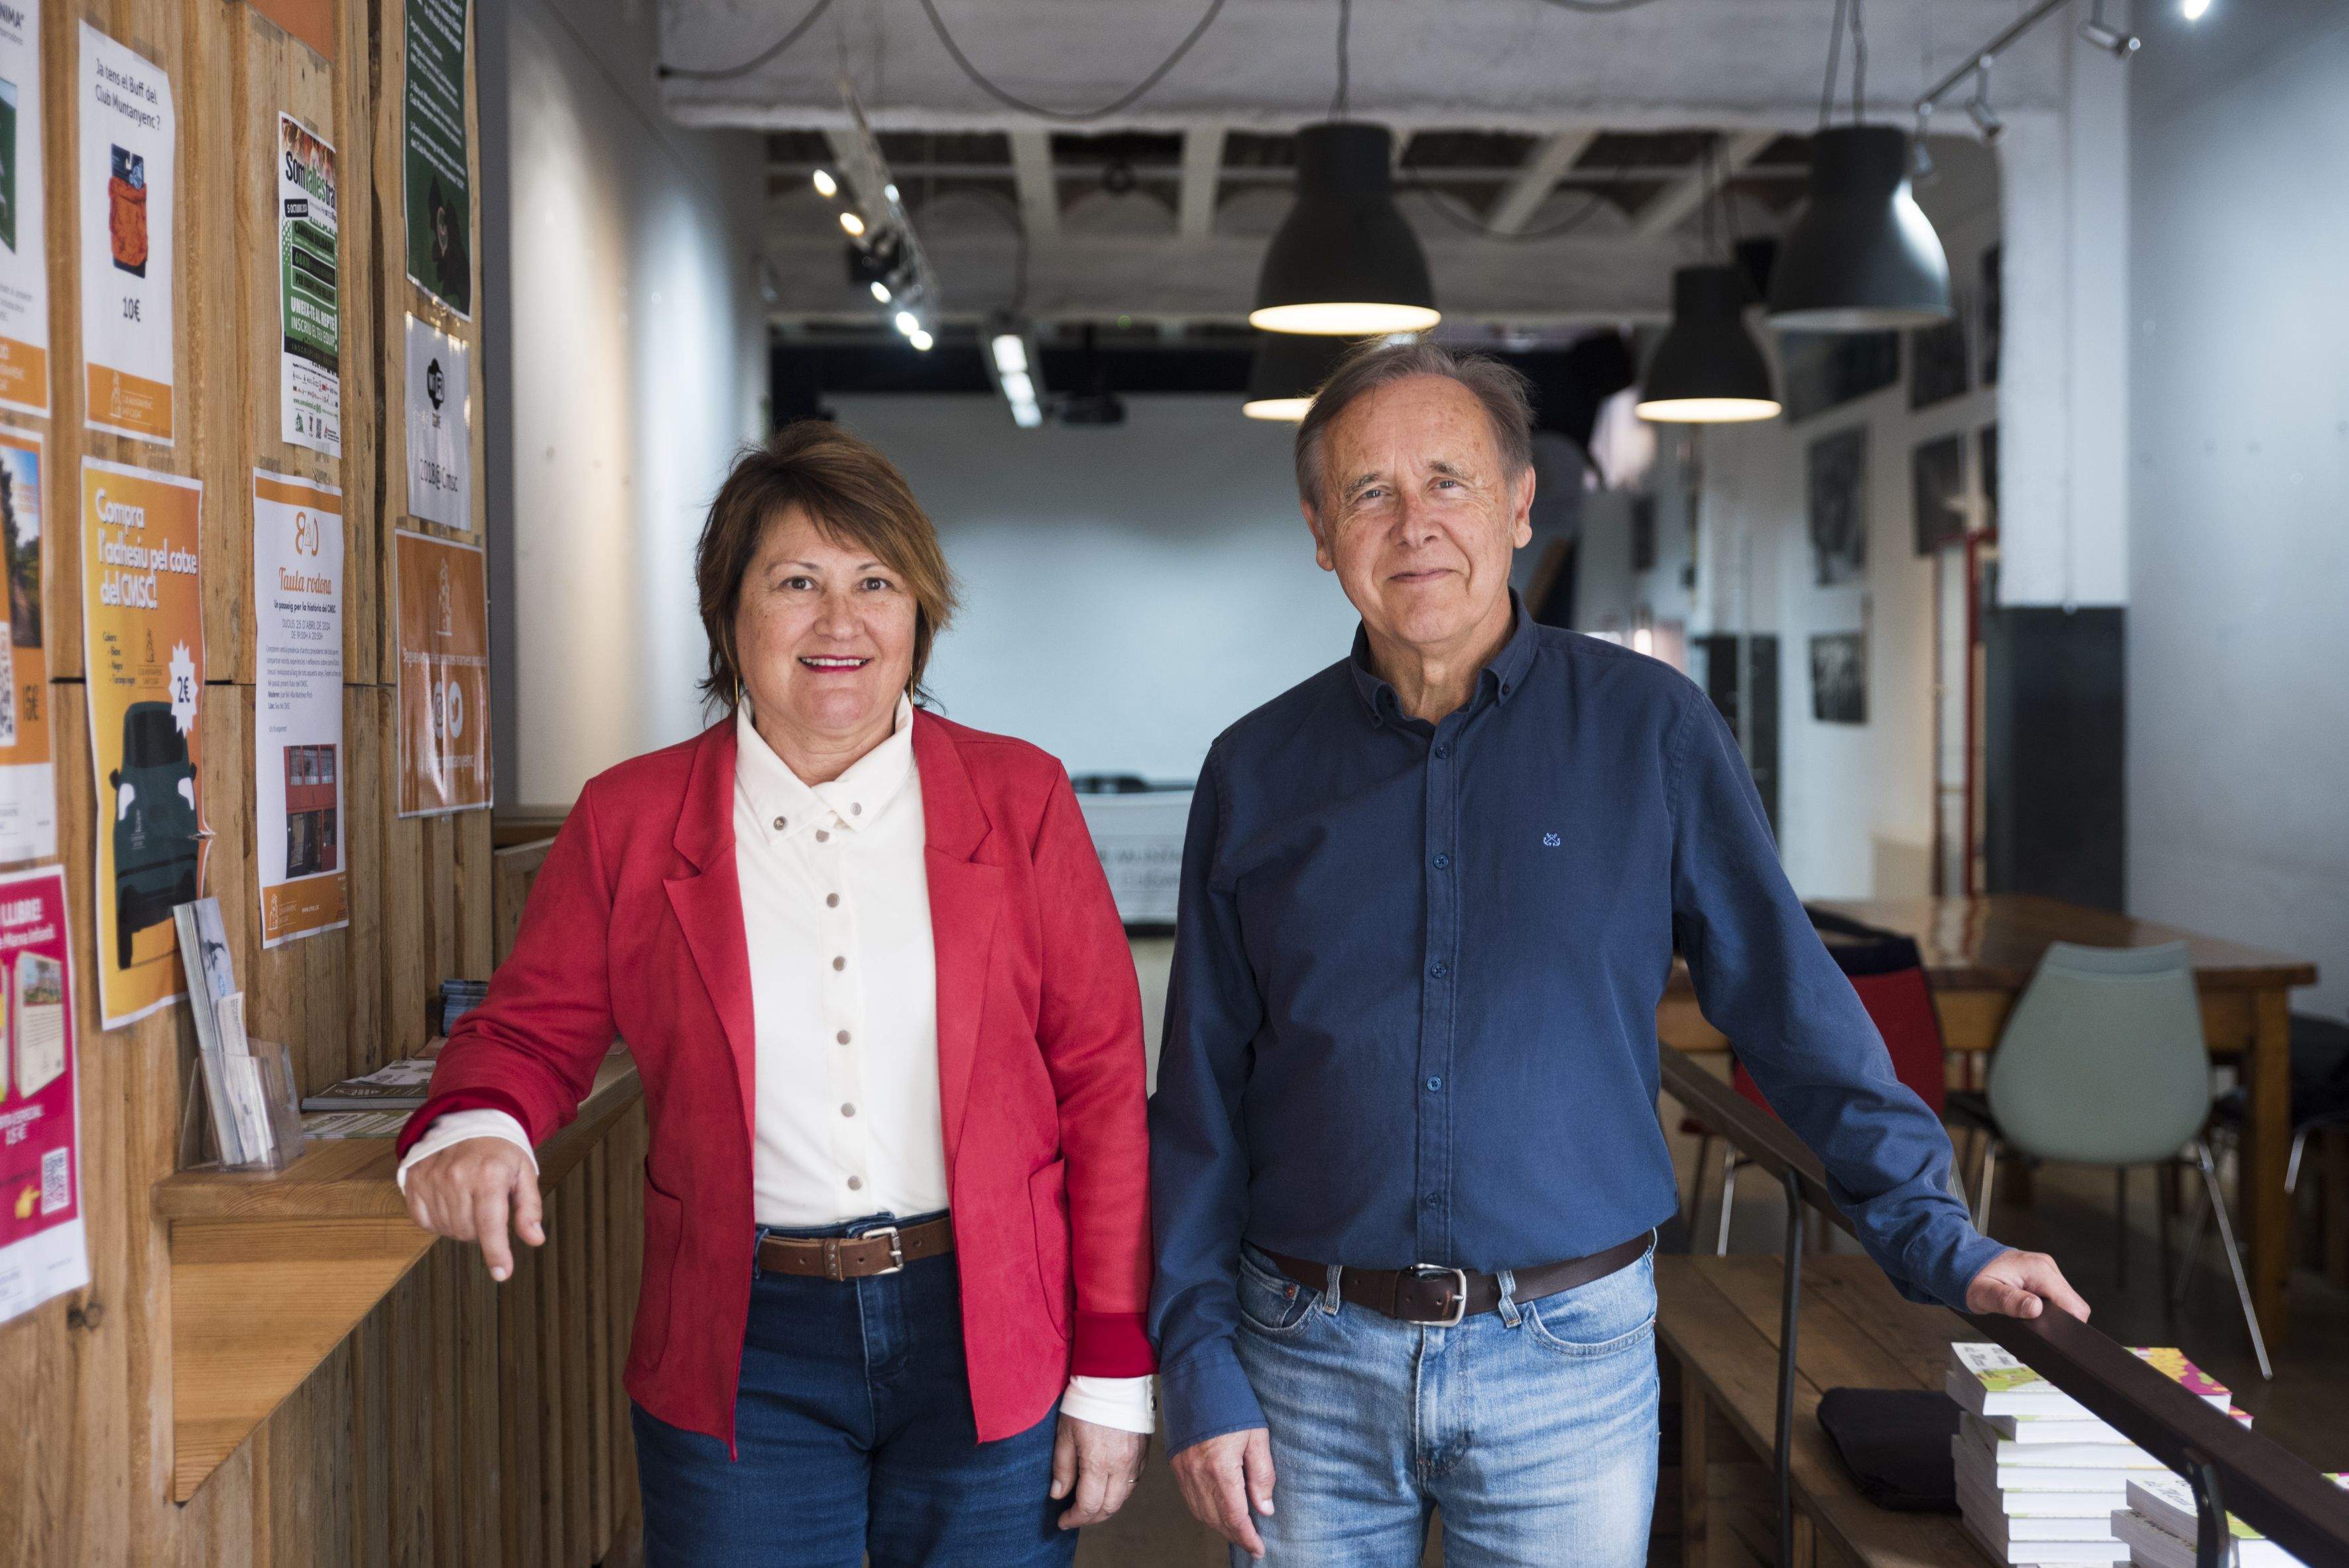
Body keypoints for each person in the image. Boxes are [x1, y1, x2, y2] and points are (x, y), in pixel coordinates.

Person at [1148, 341, 2088, 1566]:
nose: (1414, 523)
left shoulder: (1653, 730)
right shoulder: (1253, 771)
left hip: (1567, 1365)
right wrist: (1196, 1357)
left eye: (1449, 481)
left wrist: (1942, 1238)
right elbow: (1201, 1098)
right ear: (1322, 532)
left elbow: (1791, 1005)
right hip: (1304, 1362)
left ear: (1521, 504)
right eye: (1369, 492)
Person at [397, 422, 1156, 1567]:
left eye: (875, 583)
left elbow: (1101, 1087)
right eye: (797, 582)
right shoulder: (630, 818)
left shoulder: (1022, 797)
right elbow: (532, 1030)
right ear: (730, 615)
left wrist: (1112, 1360)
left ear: (919, 614)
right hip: (744, 1345)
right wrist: (478, 1124)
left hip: (992, 1319)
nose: (840, 622)